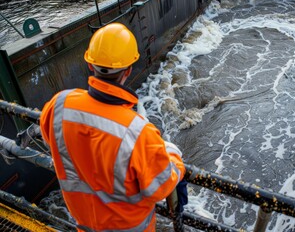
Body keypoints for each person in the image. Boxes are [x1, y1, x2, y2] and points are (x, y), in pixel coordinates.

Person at [40, 22, 186, 231]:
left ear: (90, 65)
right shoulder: (138, 132)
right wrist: (173, 157)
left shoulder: (60, 104)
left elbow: (51, 141)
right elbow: (161, 187)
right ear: (128, 70)